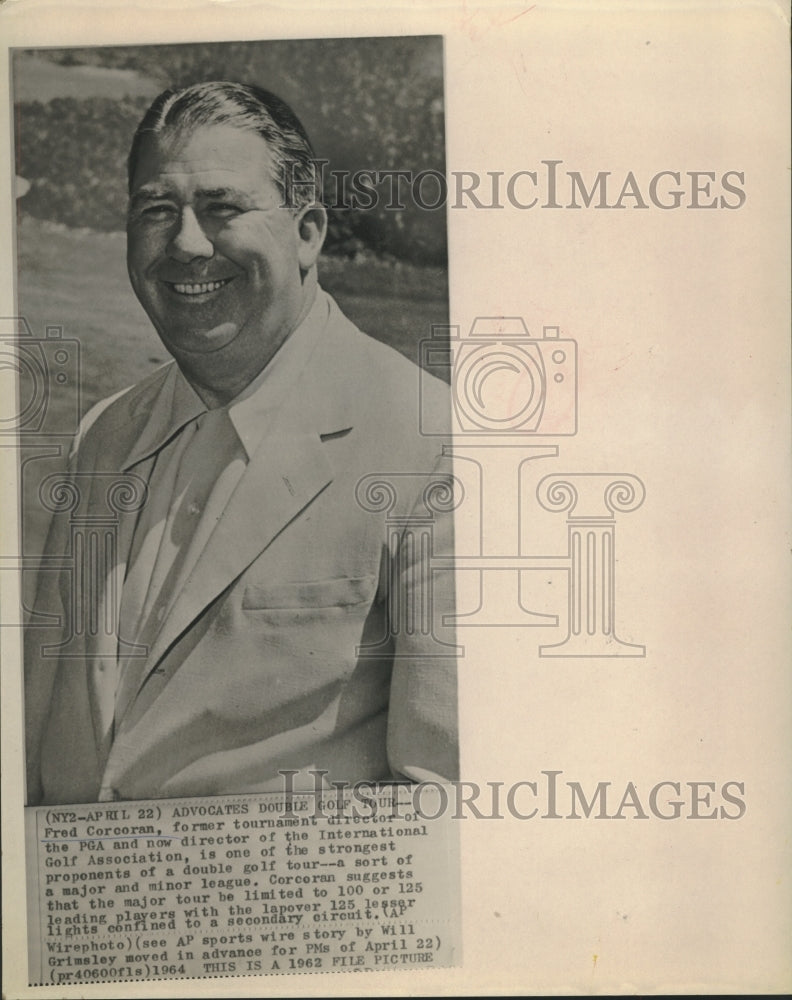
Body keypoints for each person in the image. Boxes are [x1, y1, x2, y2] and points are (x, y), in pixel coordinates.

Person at [24, 81, 458, 805]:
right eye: (156, 210)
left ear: (309, 233)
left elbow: (440, 803)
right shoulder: (104, 432)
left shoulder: (429, 439)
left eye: (223, 208)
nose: (187, 244)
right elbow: (43, 737)